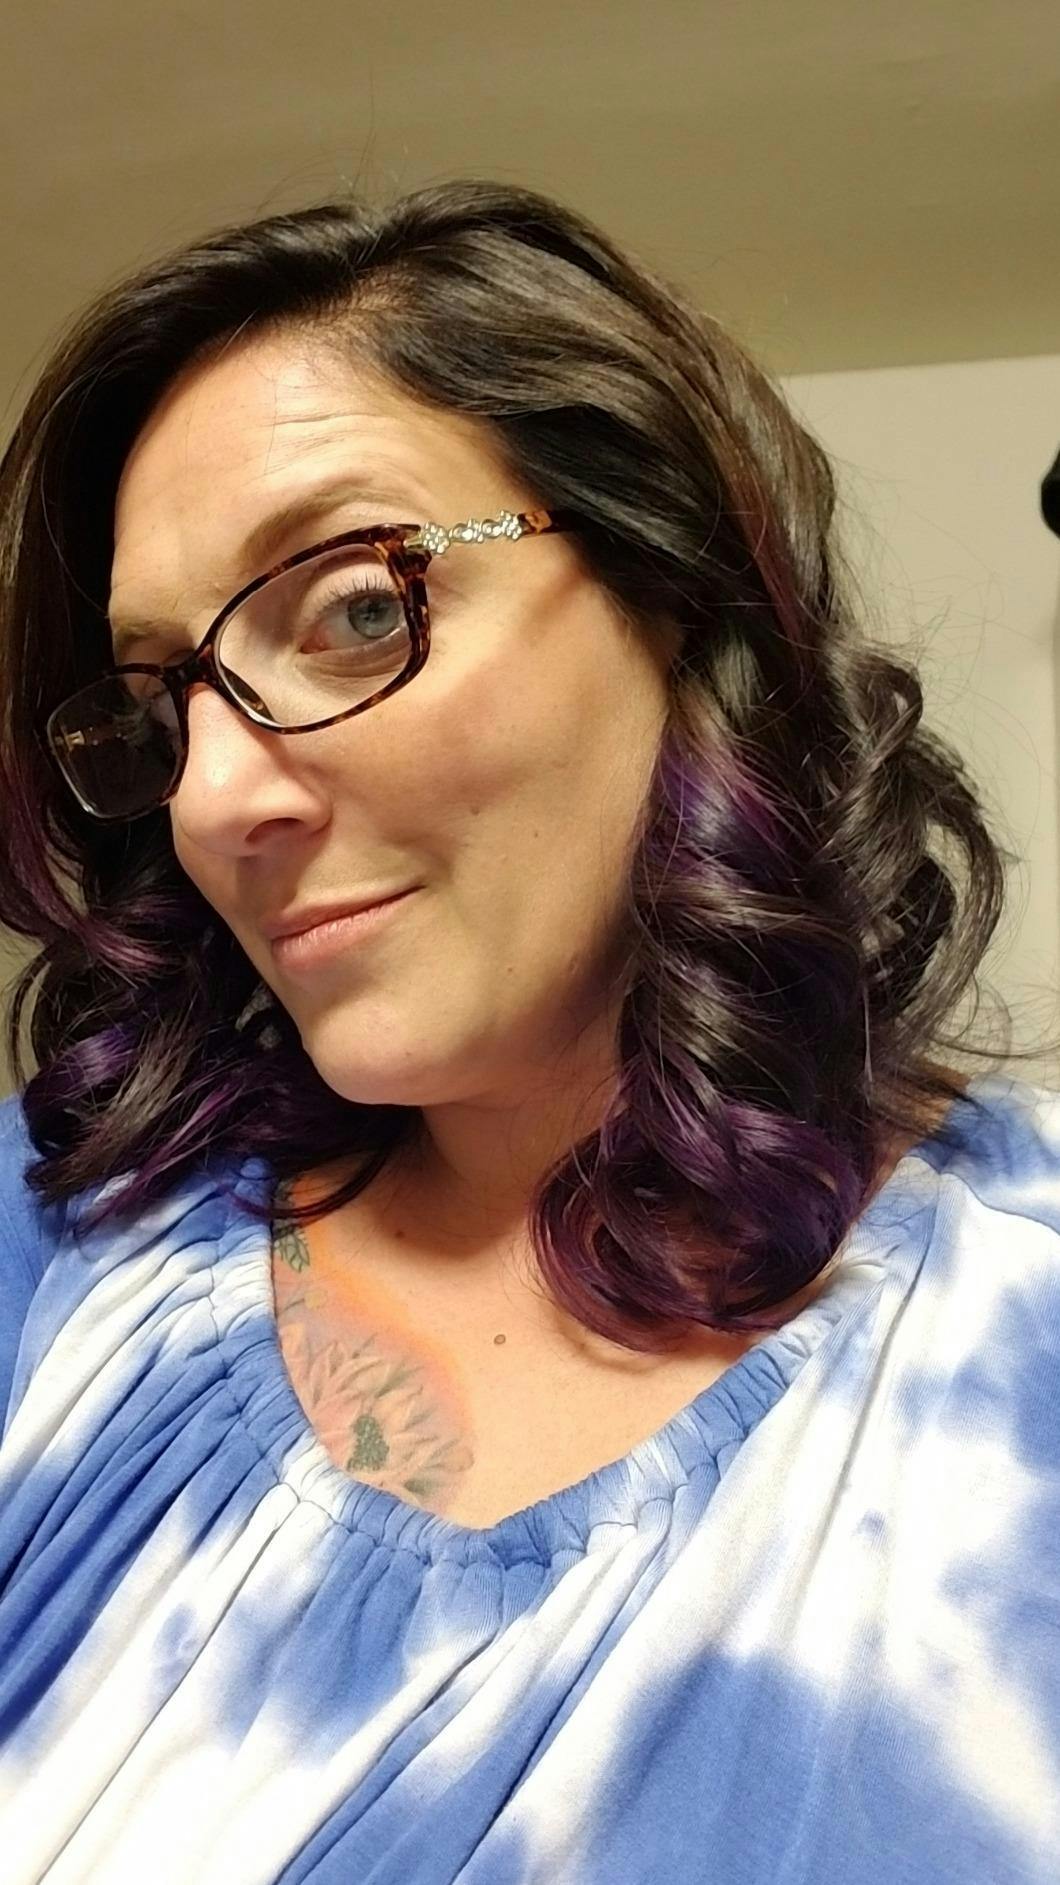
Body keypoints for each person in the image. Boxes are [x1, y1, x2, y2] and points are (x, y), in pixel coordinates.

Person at [0, 179, 1056, 1884]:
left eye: (355, 606)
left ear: (673, 588)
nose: (214, 798)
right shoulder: (55, 1236)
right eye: (158, 701)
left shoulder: (1022, 1341)